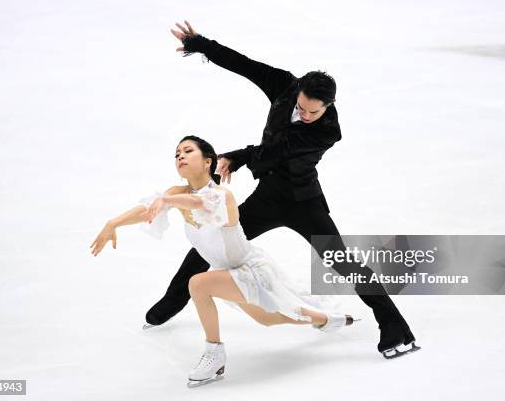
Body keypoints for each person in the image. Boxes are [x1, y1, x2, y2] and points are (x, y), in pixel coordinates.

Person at [146, 20, 419, 359]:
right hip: (270, 196)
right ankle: (174, 299)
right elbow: (245, 65)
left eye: (312, 111)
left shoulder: (326, 132)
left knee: (342, 261)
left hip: (304, 201)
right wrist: (201, 44)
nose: (304, 114)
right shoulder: (286, 86)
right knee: (211, 242)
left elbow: (278, 149)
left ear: (328, 107)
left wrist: (235, 157)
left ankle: (394, 326)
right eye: (300, 107)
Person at [90, 136, 355, 387]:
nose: (180, 156)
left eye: (188, 151)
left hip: (248, 270)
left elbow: (197, 201)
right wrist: (113, 223)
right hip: (226, 273)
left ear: (208, 162)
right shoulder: (175, 193)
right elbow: (149, 208)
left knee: (199, 284)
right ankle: (325, 319)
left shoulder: (221, 196)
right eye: (177, 154)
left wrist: (166, 200)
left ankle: (215, 355)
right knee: (269, 319)